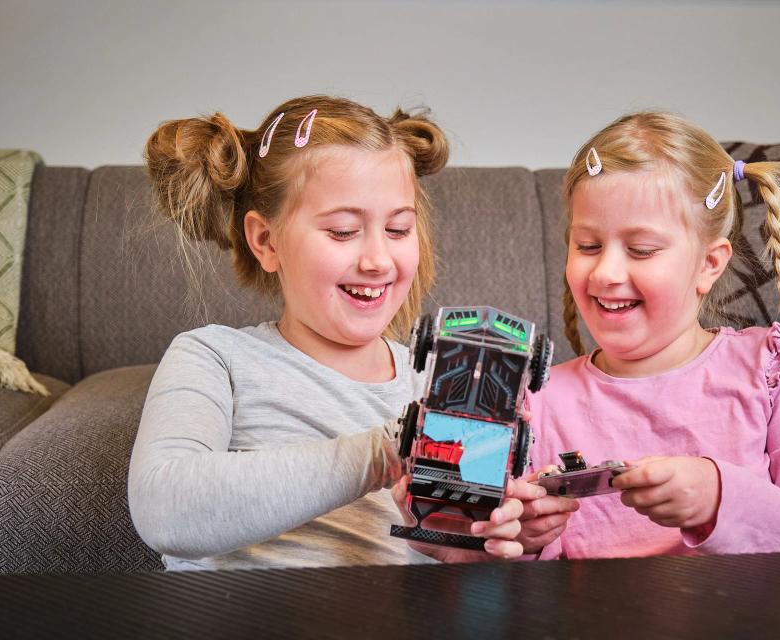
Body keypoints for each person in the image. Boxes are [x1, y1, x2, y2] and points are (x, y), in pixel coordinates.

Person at [128, 95, 525, 570]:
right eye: (342, 231)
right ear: (266, 240)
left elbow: (467, 568)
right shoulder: (215, 357)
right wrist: (385, 451)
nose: (378, 259)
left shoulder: (442, 383)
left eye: (398, 229)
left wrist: (472, 547)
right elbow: (165, 511)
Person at [516, 111, 780, 559]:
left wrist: (719, 496)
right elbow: (518, 577)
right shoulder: (539, 398)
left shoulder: (774, 368)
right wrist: (527, 540)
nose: (605, 272)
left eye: (641, 250)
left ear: (709, 264)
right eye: (587, 246)